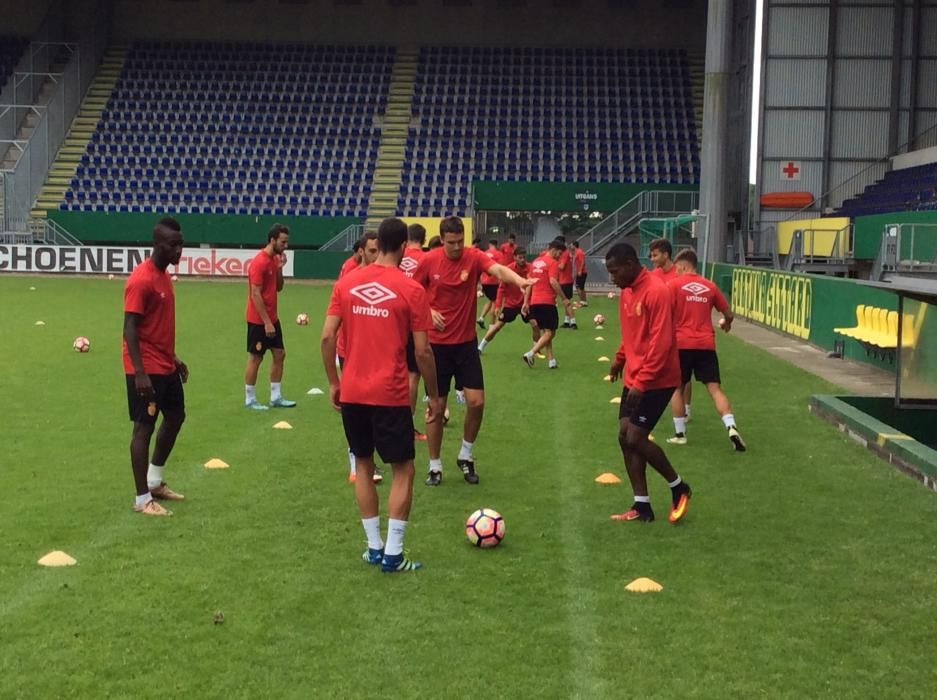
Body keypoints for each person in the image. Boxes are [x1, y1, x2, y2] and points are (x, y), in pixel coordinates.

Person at [321, 217, 443, 573]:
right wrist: (434, 397)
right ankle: (393, 553)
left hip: (353, 391)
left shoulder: (347, 284)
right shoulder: (411, 289)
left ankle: (373, 547)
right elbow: (422, 353)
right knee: (403, 469)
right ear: (404, 246)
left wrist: (333, 382)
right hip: (389, 393)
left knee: (362, 465)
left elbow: (327, 337)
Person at [413, 216, 535, 486]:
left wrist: (520, 281)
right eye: (451, 243)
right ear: (442, 239)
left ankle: (465, 456)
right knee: (437, 407)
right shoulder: (429, 261)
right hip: (437, 348)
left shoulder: (473, 257)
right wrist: (428, 311)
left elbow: (498, 270)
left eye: (460, 242)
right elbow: (412, 291)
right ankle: (434, 466)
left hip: (466, 344)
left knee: (477, 403)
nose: (457, 247)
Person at [605, 243, 692, 524]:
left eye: (615, 271)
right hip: (636, 375)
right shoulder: (627, 292)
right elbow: (632, 333)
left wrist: (642, 381)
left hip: (658, 378)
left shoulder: (656, 291)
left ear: (630, 264)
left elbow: (661, 342)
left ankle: (678, 486)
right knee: (623, 435)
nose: (612, 278)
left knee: (635, 437)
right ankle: (642, 506)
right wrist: (620, 359)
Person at [123, 217, 188, 517]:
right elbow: (131, 328)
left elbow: (156, 325)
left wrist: (174, 359)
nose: (180, 251)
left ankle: (154, 481)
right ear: (158, 245)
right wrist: (139, 372)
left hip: (165, 364)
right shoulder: (141, 279)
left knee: (175, 416)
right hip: (145, 368)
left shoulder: (163, 277)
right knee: (143, 428)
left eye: (181, 244)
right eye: (174, 245)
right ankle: (141, 499)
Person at [665, 249, 746, 451]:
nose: (676, 272)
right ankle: (731, 426)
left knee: (676, 388)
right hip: (705, 344)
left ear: (683, 266)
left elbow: (662, 311)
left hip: (681, 344)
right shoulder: (710, 286)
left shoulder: (673, 285)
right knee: (714, 388)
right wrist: (727, 324)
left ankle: (680, 433)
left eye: (677, 268)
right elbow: (728, 313)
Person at [337, 230, 382, 483]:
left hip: (377, 353)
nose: (376, 256)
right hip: (351, 351)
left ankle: (367, 461)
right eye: (372, 251)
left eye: (379, 250)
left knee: (375, 408)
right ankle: (356, 463)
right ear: (361, 251)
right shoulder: (350, 275)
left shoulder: (386, 277)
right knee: (357, 409)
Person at [244, 224, 296, 410]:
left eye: (287, 242)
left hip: (272, 318)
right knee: (256, 357)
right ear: (272, 240)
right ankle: (250, 399)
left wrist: (280, 268)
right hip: (259, 320)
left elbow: (278, 288)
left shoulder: (274, 260)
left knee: (279, 354)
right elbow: (255, 294)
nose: (286, 245)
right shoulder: (259, 262)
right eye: (283, 241)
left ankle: (276, 397)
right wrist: (266, 322)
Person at [401, 223, 428, 441]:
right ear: (424, 239)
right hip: (412, 322)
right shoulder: (425, 260)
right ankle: (406, 426)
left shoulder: (396, 256)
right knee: (412, 375)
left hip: (388, 318)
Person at [478, 246, 530, 353]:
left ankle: (535, 350)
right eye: (520, 257)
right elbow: (501, 288)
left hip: (525, 303)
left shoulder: (530, 268)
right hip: (511, 304)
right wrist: (498, 305)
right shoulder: (509, 269)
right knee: (498, 326)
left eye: (524, 257)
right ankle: (481, 345)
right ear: (514, 257)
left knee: (535, 324)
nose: (523, 260)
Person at [522, 239, 564, 369]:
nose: (559, 256)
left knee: (547, 331)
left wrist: (526, 302)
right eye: (559, 253)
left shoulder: (535, 262)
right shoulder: (552, 263)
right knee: (550, 332)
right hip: (547, 301)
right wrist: (564, 298)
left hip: (535, 301)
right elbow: (553, 281)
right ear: (554, 249)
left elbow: (529, 282)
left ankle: (551, 360)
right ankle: (531, 353)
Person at [476, 238, 501, 329]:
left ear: (489, 245)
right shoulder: (498, 254)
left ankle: (481, 317)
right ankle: (492, 325)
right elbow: (500, 268)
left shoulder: (484, 253)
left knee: (490, 300)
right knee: (495, 302)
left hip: (484, 281)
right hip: (494, 281)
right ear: (496, 245)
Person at [556, 237, 578, 329]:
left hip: (565, 281)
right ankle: (567, 321)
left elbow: (561, 267)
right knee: (565, 301)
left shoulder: (564, 254)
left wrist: (553, 264)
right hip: (565, 280)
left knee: (566, 301)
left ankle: (573, 322)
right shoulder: (565, 254)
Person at [572, 240, 588, 306]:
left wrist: (580, 271)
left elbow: (582, 262)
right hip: (581, 272)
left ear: (574, 245)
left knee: (578, 286)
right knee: (581, 287)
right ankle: (584, 301)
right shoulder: (576, 252)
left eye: (571, 245)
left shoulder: (579, 252)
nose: (571, 246)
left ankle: (582, 301)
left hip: (582, 272)